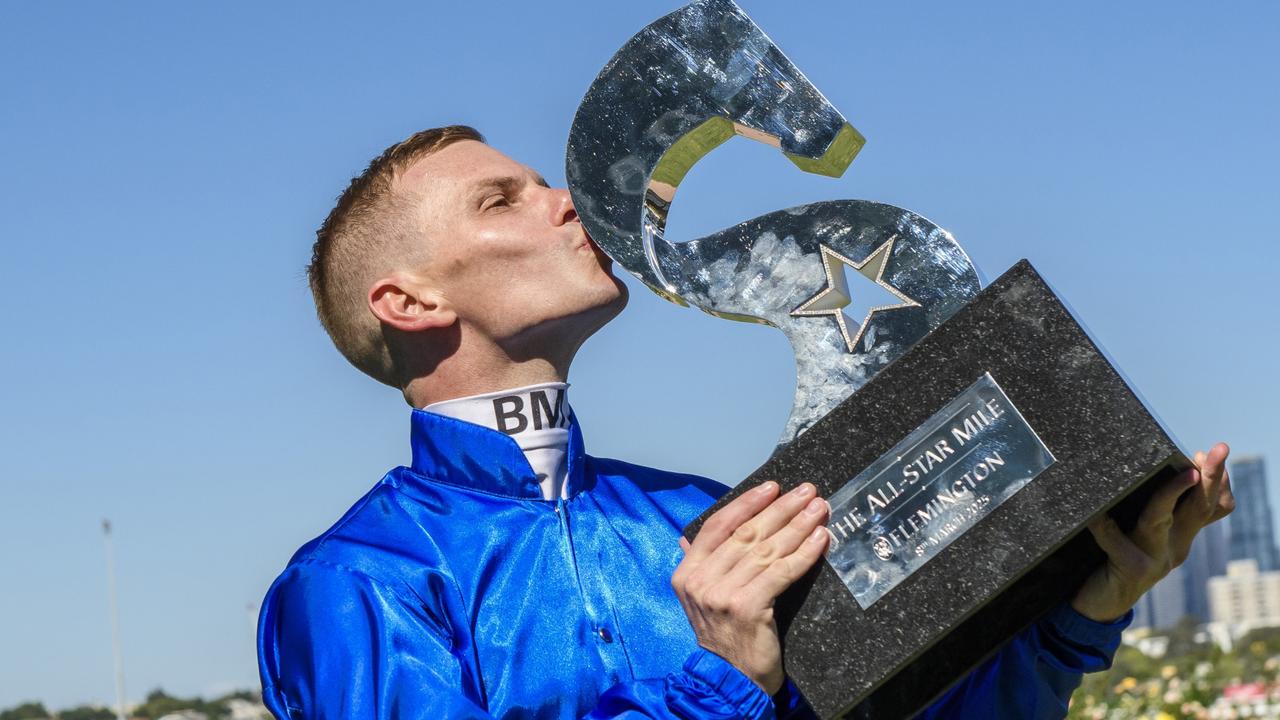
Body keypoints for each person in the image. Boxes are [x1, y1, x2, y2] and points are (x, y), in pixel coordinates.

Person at [256, 126, 1235, 719]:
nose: (567, 201)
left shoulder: (708, 518)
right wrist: (719, 679)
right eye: (502, 199)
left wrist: (1078, 614)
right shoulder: (355, 586)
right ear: (410, 302)